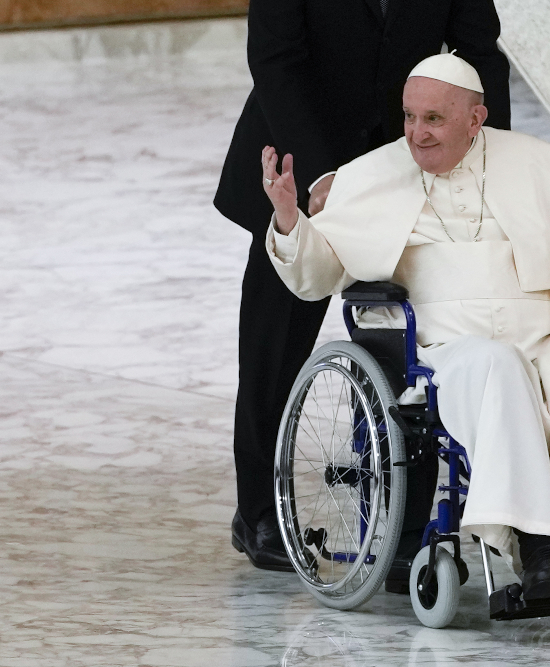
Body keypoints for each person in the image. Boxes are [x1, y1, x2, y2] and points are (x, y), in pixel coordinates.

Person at [258, 53, 550, 600]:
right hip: (450, 351)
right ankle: (539, 547)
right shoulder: (369, 176)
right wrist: (289, 220)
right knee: (497, 363)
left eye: (434, 119)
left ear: (476, 118)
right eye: (410, 116)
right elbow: (316, 275)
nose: (417, 133)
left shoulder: (540, 164)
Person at [215, 0, 512, 581]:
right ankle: (259, 512)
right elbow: (276, 60)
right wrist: (325, 174)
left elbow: (480, 51)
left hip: (405, 164)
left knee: (406, 349)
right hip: (299, 161)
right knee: (274, 351)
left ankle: (400, 521)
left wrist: (491, 156)